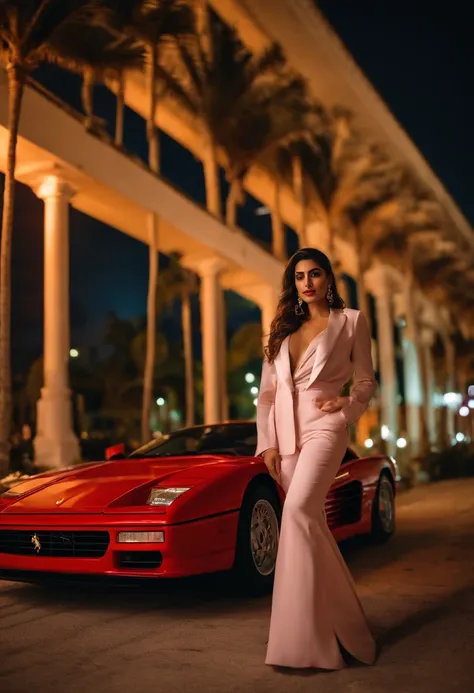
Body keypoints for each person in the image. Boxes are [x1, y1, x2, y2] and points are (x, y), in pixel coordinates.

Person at [256, 247, 377, 670]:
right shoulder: (281, 334)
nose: (307, 283)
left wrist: (346, 409)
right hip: (286, 438)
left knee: (297, 512)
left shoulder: (352, 322)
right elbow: (267, 397)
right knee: (311, 528)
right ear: (294, 284)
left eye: (316, 274)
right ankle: (345, 630)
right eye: (300, 277)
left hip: (326, 428)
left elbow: (365, 379)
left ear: (329, 279)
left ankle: (306, 644)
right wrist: (268, 445)